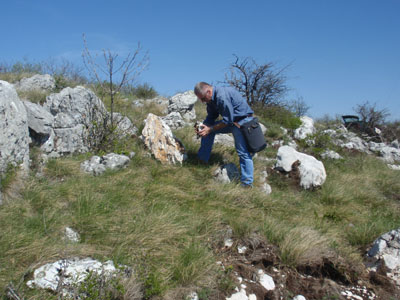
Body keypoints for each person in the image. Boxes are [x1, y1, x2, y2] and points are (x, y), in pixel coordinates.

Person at [194, 82, 254, 187]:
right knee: (207, 132)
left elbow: (228, 120)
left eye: (203, 98)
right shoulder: (211, 99)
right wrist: (203, 127)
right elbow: (211, 116)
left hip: (242, 122)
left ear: (208, 92)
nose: (202, 101)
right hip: (232, 121)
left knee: (242, 152)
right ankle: (202, 162)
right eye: (200, 99)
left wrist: (210, 129)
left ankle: (247, 183)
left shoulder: (222, 97)